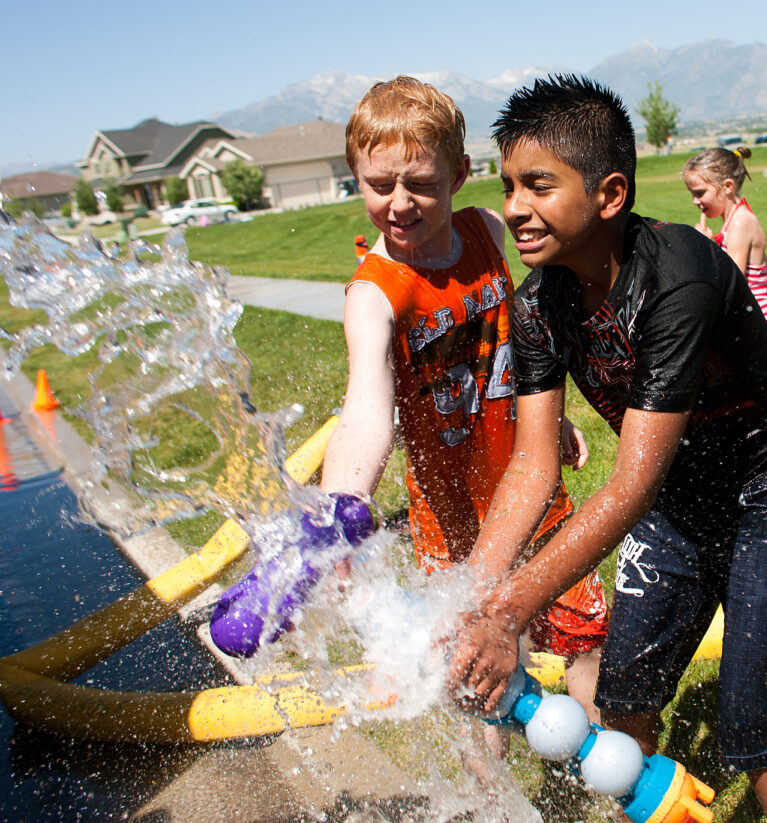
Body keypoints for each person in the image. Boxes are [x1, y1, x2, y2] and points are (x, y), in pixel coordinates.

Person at [449, 75, 767, 823]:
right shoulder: (537, 305)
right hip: (673, 484)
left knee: (756, 721)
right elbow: (532, 464)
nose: (516, 207)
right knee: (625, 698)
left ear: (610, 193)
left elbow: (630, 483)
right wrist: (474, 602)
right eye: (508, 187)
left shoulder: (677, 277)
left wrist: (510, 610)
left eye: (539, 185)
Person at [322, 76, 609, 726]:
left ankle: (601, 771)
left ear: (458, 173)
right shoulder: (374, 296)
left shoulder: (486, 231)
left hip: (525, 480)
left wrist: (553, 414)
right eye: (378, 184)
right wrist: (341, 513)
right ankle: (494, 801)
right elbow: (365, 412)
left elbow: (515, 338)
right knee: (474, 672)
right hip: (448, 510)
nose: (400, 202)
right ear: (355, 177)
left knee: (586, 634)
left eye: (420, 183)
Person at [682, 146, 767, 337]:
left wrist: (705, 247)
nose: (695, 201)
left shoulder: (740, 222)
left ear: (728, 186)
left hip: (757, 328)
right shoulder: (737, 219)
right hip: (752, 323)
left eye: (700, 193)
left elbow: (731, 281)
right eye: (692, 194)